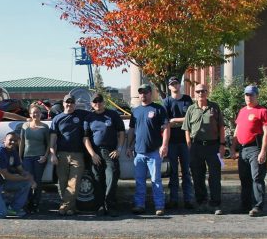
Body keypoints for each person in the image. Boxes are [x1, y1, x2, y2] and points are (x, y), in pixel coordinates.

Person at [182, 83, 226, 215]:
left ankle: (215, 203)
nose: (201, 93)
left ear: (207, 92)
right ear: (194, 93)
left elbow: (221, 127)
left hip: (213, 147)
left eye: (203, 91)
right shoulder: (191, 109)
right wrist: (189, 143)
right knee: (197, 176)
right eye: (198, 91)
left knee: (214, 176)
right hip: (196, 147)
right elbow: (186, 128)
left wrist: (222, 145)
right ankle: (201, 202)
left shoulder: (214, 107)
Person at [126, 84, 169, 216]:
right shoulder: (136, 111)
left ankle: (159, 206)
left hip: (154, 152)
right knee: (139, 181)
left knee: (156, 180)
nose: (143, 95)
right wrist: (129, 146)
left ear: (151, 93)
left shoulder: (159, 109)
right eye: (141, 93)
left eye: (145, 92)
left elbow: (166, 127)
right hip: (139, 153)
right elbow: (132, 130)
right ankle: (139, 205)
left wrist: (164, 145)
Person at [230, 85, 267, 217]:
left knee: (257, 178)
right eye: (247, 95)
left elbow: (266, 133)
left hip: (255, 148)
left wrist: (263, 151)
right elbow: (237, 130)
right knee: (244, 178)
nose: (249, 97)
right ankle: (245, 205)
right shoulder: (242, 111)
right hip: (243, 149)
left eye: (251, 94)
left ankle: (257, 206)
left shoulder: (262, 111)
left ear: (256, 96)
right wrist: (232, 148)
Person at [83, 93, 125, 217]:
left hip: (110, 152)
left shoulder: (113, 115)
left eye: (99, 101)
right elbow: (85, 138)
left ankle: (110, 205)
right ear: (91, 104)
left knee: (112, 179)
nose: (97, 104)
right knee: (97, 181)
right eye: (95, 102)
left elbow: (122, 132)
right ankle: (100, 206)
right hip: (95, 152)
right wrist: (92, 154)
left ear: (103, 102)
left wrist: (119, 149)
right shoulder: (88, 117)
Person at [49, 94, 90, 216]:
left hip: (77, 155)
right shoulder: (57, 119)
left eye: (72, 102)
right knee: (62, 183)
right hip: (61, 154)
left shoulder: (81, 115)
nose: (69, 104)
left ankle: (64, 206)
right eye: (67, 102)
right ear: (63, 103)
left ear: (75, 104)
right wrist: (53, 154)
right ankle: (71, 207)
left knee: (74, 183)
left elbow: (95, 113)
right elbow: (53, 139)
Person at [163, 76, 194, 210]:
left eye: (176, 83)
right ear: (169, 87)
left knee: (186, 172)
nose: (175, 85)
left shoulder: (187, 99)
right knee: (173, 172)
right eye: (172, 84)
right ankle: (173, 200)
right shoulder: (166, 102)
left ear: (179, 85)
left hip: (186, 141)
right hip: (171, 142)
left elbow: (191, 117)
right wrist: (181, 121)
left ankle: (188, 200)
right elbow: (166, 122)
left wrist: (175, 119)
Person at [19, 104, 50, 213]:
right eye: (33, 112)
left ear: (40, 114)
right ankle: (28, 203)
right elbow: (22, 142)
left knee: (37, 181)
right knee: (28, 180)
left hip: (39, 158)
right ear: (30, 114)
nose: (35, 114)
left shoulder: (45, 127)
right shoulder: (25, 126)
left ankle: (36, 203)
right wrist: (20, 157)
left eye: (37, 112)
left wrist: (45, 156)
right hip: (27, 157)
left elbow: (48, 144)